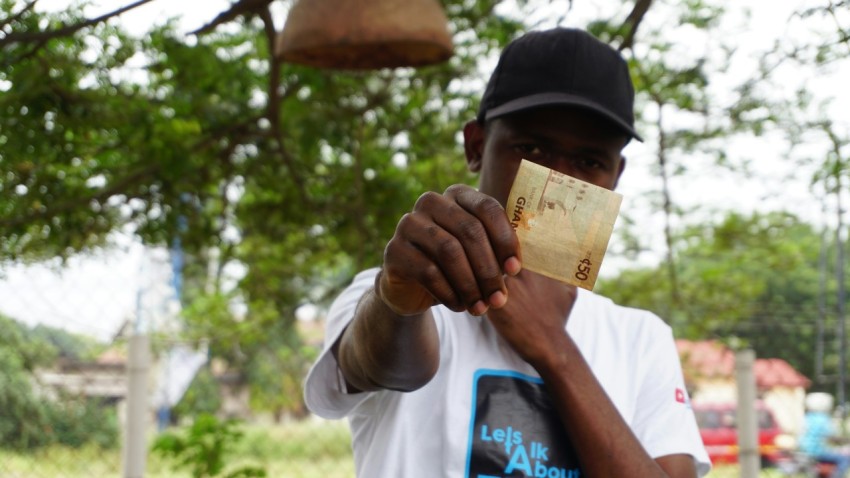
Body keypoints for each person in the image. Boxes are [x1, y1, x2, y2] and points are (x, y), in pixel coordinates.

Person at [304, 27, 711, 477]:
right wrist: (395, 302)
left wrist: (552, 348)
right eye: (531, 148)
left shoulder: (640, 339)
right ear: (477, 147)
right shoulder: (406, 291)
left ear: (615, 176)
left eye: (590, 161)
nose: (557, 181)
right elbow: (379, 362)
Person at [799, 392, 850, 478]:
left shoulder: (808, 417)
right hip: (817, 451)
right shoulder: (823, 419)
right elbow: (832, 437)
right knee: (846, 458)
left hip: (804, 450)